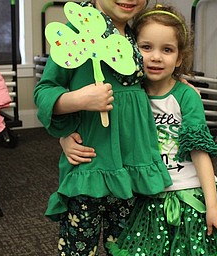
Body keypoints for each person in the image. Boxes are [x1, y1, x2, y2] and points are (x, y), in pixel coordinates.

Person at [61, 4, 217, 255]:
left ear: (179, 58)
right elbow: (95, 119)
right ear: (131, 50)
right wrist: (64, 136)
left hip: (189, 194)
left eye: (167, 50)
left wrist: (212, 204)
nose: (155, 57)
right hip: (146, 195)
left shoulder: (186, 96)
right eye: (146, 48)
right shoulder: (131, 91)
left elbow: (199, 151)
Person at [33, 1, 173, 255]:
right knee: (79, 249)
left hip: (133, 169)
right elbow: (44, 91)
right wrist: (77, 101)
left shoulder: (137, 35)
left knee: (127, 248)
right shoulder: (77, 31)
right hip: (90, 169)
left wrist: (181, 86)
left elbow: (155, 77)